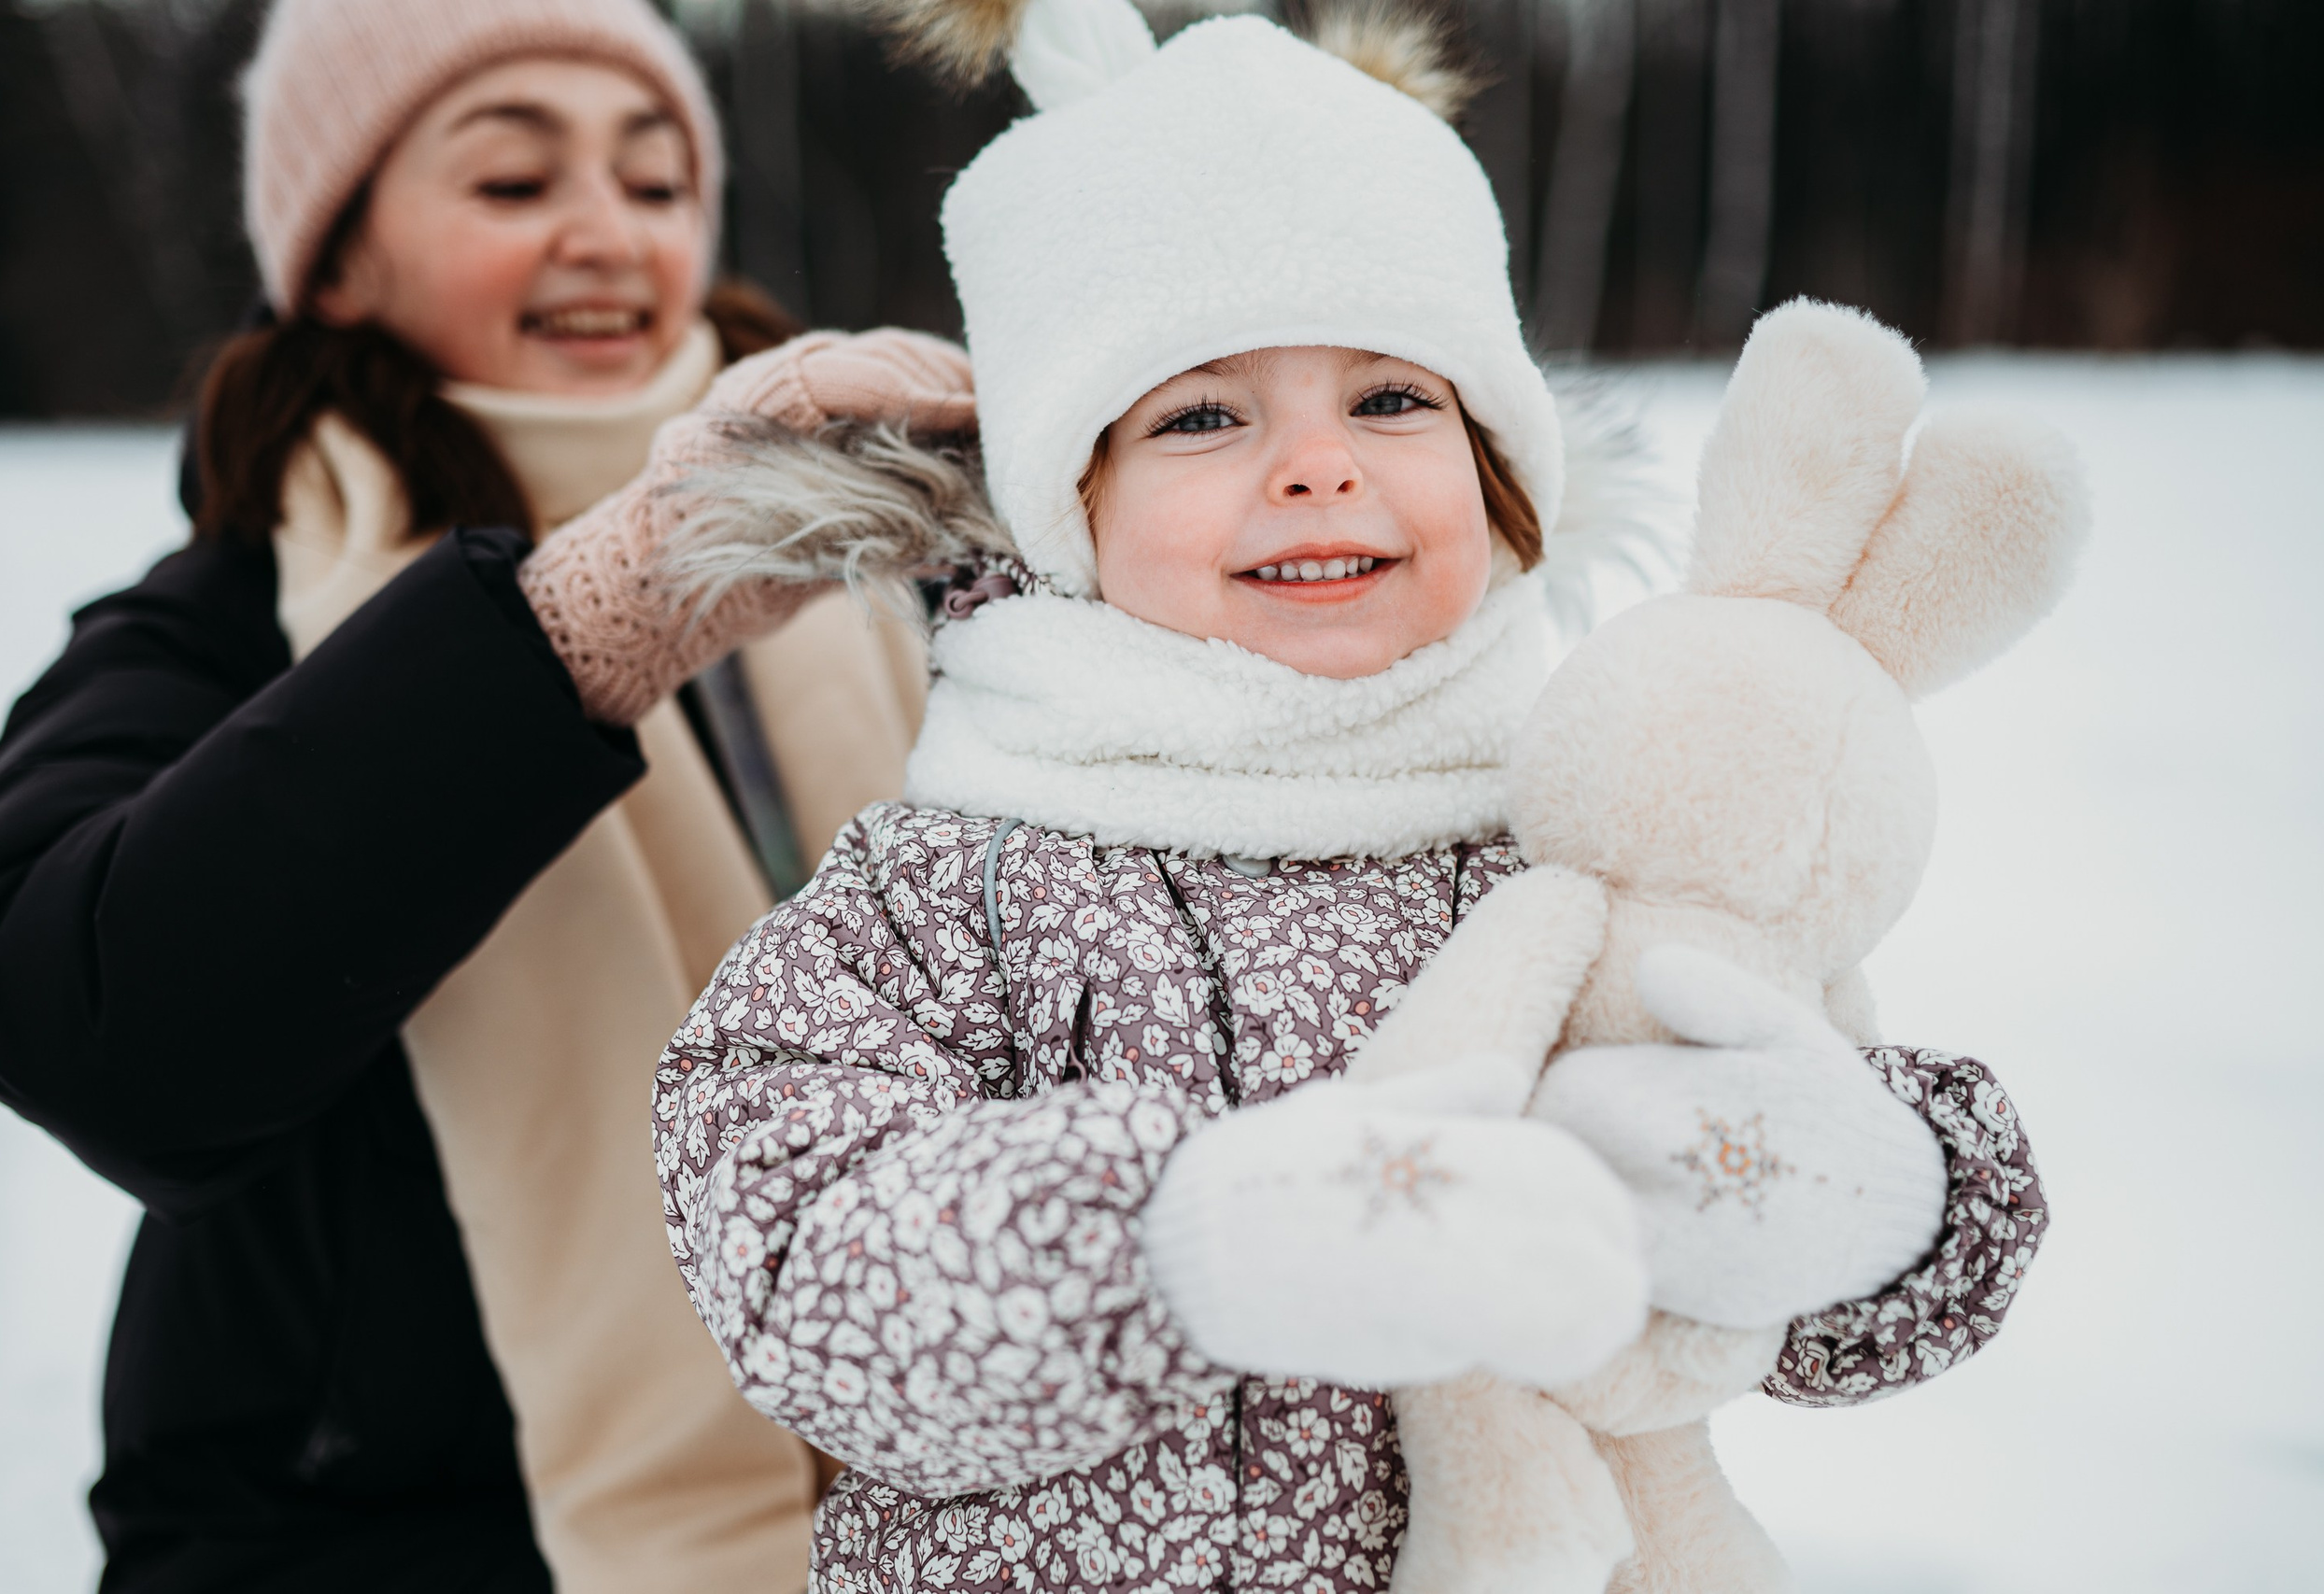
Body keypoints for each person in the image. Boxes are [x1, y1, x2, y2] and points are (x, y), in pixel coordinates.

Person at [649, 3, 2048, 1588]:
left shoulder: (1584, 832)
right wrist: (1192, 1240)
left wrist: (1879, 1197)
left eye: (1392, 399)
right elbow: (804, 1262)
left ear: (1500, 474)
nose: (1318, 467)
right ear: (1067, 508)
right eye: (1202, 414)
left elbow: (1812, 1284)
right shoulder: (939, 902)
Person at [0, 0, 971, 1587]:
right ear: (339, 263)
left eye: (654, 179)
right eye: (512, 182)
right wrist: (600, 617)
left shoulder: (863, 537)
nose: (607, 234)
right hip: (382, 1540)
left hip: (914, 1510)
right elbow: (71, 1019)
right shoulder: (226, 615)